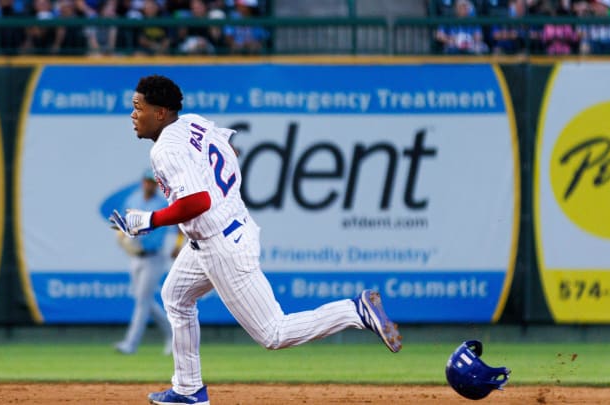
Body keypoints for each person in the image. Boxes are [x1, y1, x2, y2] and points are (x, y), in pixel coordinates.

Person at [115, 74, 402, 405]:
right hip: (225, 229)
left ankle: (354, 310)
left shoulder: (165, 150)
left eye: (139, 107)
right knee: (175, 296)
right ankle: (188, 388)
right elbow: (228, 153)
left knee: (273, 333)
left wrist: (151, 219)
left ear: (161, 113)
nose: (133, 114)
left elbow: (199, 201)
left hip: (220, 243)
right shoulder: (193, 123)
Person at [114, 169, 173, 355]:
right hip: (136, 257)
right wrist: (122, 238)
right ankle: (173, 334)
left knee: (142, 301)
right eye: (147, 181)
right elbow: (122, 224)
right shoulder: (133, 200)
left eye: (152, 182)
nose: (149, 184)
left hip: (154, 257)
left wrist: (177, 246)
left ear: (157, 184)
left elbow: (169, 230)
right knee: (143, 300)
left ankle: (130, 344)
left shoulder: (161, 204)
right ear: (142, 182)